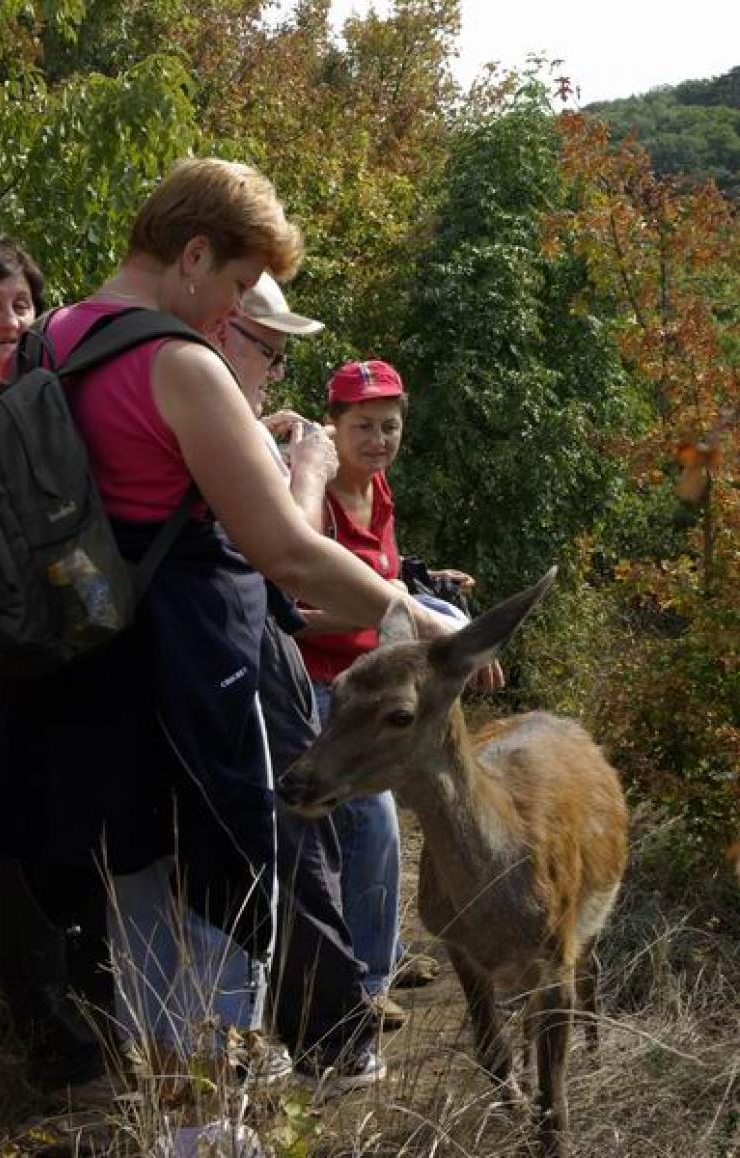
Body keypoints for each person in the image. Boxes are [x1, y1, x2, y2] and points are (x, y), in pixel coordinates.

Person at [0, 161, 455, 1099]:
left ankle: (175, 1105)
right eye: (237, 286)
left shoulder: (60, 333)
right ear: (193, 255)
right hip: (189, 690)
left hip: (88, 679)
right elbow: (286, 549)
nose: (232, 308)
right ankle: (211, 1119)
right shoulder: (179, 363)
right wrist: (407, 611)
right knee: (221, 912)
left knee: (142, 909)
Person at [215, 273, 380, 1087]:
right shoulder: (194, 390)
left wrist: (256, 431)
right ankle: (333, 1044)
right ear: (224, 328)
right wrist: (307, 467)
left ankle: (274, 1037)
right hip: (247, 657)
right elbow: (287, 557)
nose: (275, 371)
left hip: (223, 657)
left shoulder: (153, 387)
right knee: (294, 837)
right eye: (269, 351)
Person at [297, 360, 497, 1029]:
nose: (377, 439)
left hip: (379, 678)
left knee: (432, 803)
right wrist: (390, 611)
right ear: (335, 425)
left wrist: (423, 582)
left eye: (389, 426)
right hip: (330, 689)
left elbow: (383, 577)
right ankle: (366, 982)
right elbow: (298, 608)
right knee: (374, 825)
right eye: (362, 426)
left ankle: (382, 943)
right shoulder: (314, 498)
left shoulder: (376, 491)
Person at [0, 227, 114, 1097]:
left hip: (54, 650)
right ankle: (53, 1042)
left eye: (22, 304)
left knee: (69, 825)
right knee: (3, 841)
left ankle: (97, 997)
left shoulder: (45, 395)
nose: (12, 320)